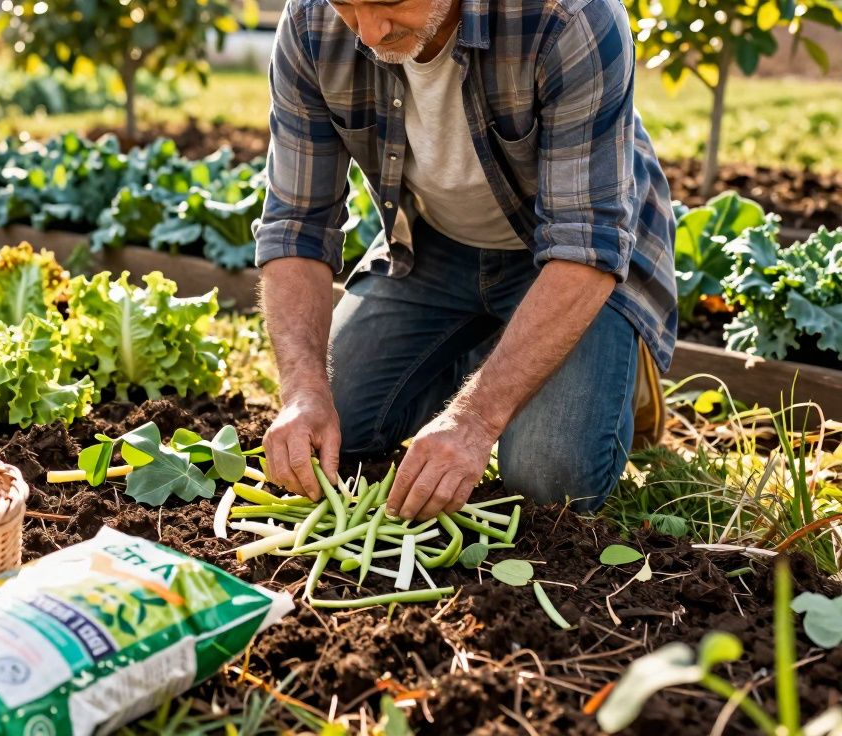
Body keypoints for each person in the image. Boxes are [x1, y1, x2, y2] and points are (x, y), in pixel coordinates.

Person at [255, 0, 677, 520]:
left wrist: (474, 419)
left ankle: (603, 355)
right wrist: (303, 391)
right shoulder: (309, 21)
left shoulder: (571, 16)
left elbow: (584, 246)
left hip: (566, 263)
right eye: (347, 5)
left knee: (548, 480)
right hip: (435, 247)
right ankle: (483, 351)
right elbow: (296, 225)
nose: (368, 31)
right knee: (335, 425)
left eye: (388, 3)